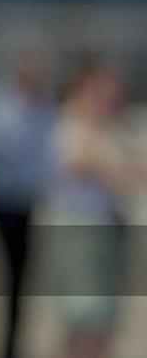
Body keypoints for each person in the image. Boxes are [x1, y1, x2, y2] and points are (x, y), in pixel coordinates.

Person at [47, 58, 146, 358]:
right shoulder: (73, 125)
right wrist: (119, 167)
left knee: (101, 322)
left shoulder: (110, 128)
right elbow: (82, 162)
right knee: (85, 321)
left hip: (106, 231)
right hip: (83, 234)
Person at [0, 52, 56, 358]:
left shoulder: (44, 105)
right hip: (1, 200)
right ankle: (4, 343)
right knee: (5, 275)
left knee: (20, 276)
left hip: (27, 202)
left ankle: (12, 342)